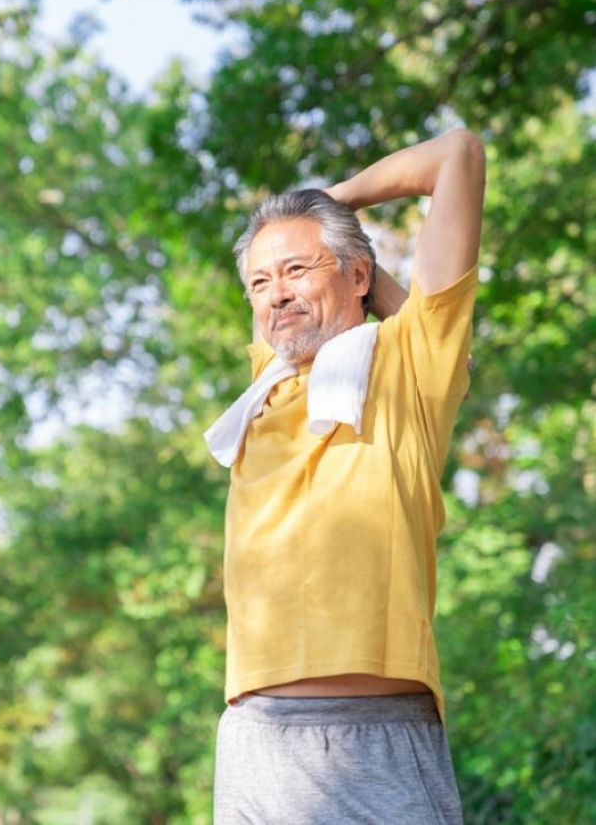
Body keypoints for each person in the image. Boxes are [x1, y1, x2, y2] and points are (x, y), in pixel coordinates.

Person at [207, 129, 486, 824]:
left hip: (379, 737)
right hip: (255, 743)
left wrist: (330, 200)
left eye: (298, 269)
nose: (277, 295)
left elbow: (458, 155)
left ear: (359, 276)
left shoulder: (407, 369)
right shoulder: (263, 385)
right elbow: (291, 309)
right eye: (260, 282)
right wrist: (306, 244)